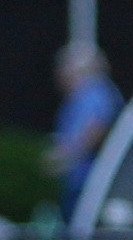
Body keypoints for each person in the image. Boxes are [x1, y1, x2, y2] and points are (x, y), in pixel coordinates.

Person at [46, 42, 121, 226]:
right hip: (77, 181)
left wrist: (67, 157)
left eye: (64, 66)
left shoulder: (96, 92)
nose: (60, 72)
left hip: (87, 182)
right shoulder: (80, 95)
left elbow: (96, 129)